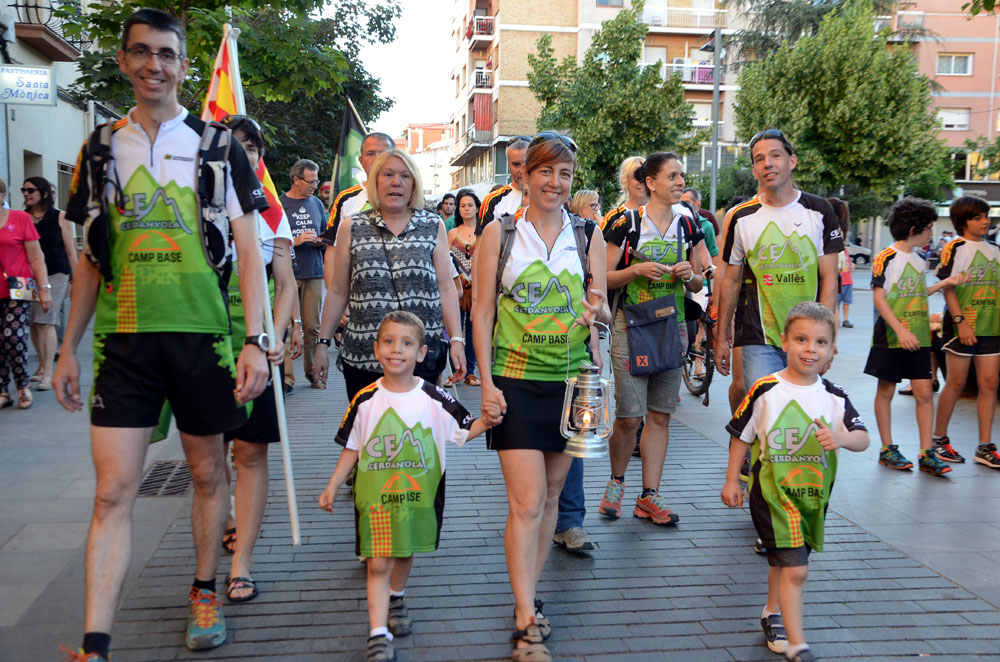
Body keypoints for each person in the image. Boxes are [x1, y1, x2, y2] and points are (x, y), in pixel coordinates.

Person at [53, 9, 270, 660]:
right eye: (142, 52)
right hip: (123, 342)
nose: (155, 64)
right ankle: (96, 644)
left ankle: (205, 588)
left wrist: (255, 340)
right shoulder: (98, 150)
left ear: (182, 66)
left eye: (167, 54)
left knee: (207, 471)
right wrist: (66, 348)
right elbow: (92, 257)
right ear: (124, 60)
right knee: (113, 489)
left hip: (202, 336)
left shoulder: (218, 146)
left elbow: (250, 249)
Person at [473, 131, 610, 661]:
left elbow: (598, 306)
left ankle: (526, 598)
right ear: (524, 176)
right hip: (515, 379)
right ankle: (527, 617)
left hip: (574, 383)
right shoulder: (499, 234)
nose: (556, 182)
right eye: (546, 172)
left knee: (552, 498)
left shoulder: (588, 234)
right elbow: (482, 312)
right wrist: (485, 382)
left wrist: (592, 313)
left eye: (566, 174)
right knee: (527, 501)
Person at [319, 311, 489, 662]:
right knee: (378, 562)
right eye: (389, 342)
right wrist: (334, 484)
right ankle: (378, 632)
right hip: (376, 498)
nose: (397, 350)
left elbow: (465, 428)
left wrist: (490, 419)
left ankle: (397, 595)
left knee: (404, 552)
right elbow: (352, 446)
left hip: (417, 498)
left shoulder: (435, 397)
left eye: (407, 343)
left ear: (422, 353)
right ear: (376, 348)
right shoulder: (365, 399)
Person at [722, 302, 869, 662]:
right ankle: (798, 644)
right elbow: (741, 435)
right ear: (784, 340)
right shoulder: (765, 390)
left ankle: (772, 614)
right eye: (801, 339)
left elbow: (862, 438)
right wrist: (732, 482)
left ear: (832, 350)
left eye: (820, 342)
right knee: (797, 568)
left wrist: (841, 438)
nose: (810, 349)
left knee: (783, 562)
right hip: (771, 496)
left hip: (812, 499)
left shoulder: (835, 396)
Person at [598, 152, 705, 525]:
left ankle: (649, 496)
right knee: (630, 417)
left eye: (682, 175)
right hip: (631, 326)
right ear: (651, 182)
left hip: (672, 326)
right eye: (672, 176)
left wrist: (690, 274)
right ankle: (616, 481)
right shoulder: (624, 223)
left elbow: (699, 281)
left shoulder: (687, 223)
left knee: (660, 416)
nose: (680, 182)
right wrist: (636, 270)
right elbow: (600, 278)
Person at [216, 114, 297, 602]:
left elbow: (284, 284)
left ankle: (242, 560)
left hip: (255, 347)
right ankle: (223, 513)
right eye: (232, 144)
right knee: (210, 458)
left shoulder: (270, 213)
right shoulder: (194, 203)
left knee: (249, 450)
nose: (243, 153)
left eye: (250, 147)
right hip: (205, 345)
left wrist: (277, 334)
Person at [313, 149, 466, 400]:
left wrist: (457, 340)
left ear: (414, 184)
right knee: (370, 435)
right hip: (365, 357)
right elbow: (339, 291)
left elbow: (446, 288)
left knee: (421, 435)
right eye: (388, 174)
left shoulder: (432, 225)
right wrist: (322, 344)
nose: (396, 182)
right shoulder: (351, 227)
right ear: (375, 181)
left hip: (421, 355)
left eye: (405, 176)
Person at [716, 129, 842, 391]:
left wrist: (827, 338)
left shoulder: (819, 211)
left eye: (775, 155)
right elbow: (731, 279)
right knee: (766, 405)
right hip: (757, 336)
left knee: (800, 405)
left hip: (806, 336)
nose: (768, 163)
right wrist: (720, 338)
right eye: (759, 159)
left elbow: (830, 279)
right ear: (754, 170)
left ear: (791, 161)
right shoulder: (741, 217)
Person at [865, 198, 966, 477]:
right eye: (929, 228)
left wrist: (946, 283)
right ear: (913, 229)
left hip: (920, 338)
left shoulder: (919, 260)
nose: (932, 234)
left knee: (924, 393)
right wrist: (900, 330)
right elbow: (879, 297)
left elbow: (918, 293)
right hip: (891, 338)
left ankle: (926, 453)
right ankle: (888, 449)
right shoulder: (885, 257)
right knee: (885, 391)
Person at [932, 195, 1000, 468]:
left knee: (990, 384)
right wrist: (960, 322)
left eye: (986, 216)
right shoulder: (954, 247)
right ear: (963, 221)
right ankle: (939, 441)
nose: (985, 221)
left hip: (992, 325)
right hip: (962, 325)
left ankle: (985, 446)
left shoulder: (995, 250)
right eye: (978, 217)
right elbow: (948, 287)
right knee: (957, 382)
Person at [0, 176, 52, 410]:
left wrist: (43, 288)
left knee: (14, 336)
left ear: (2, 196)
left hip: (18, 289)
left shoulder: (19, 218)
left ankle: (22, 386)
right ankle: (3, 390)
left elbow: (36, 256)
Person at [23, 176, 75, 390]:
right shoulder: (22, 217)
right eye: (24, 190)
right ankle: (42, 366)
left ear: (44, 193)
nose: (26, 194)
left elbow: (71, 249)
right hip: (28, 276)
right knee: (34, 322)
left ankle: (48, 372)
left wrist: (78, 277)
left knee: (46, 320)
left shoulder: (60, 217)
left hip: (56, 273)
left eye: (31, 190)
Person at [280, 158, 325, 390]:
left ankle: (312, 372)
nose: (314, 185)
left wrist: (320, 241)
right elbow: (273, 242)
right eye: (311, 181)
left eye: (316, 181)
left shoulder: (317, 204)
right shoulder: (279, 205)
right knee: (287, 327)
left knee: (312, 327)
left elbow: (327, 235)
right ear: (296, 180)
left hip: (314, 272)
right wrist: (295, 241)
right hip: (287, 273)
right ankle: (287, 378)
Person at [447, 188, 481, 386]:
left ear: (477, 208)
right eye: (463, 206)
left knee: (474, 330)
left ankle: (471, 372)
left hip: (477, 290)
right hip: (456, 289)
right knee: (455, 331)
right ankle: (454, 372)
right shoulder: (452, 233)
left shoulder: (484, 231)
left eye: (470, 205)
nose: (466, 209)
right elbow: (446, 261)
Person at [476, 136, 529, 235]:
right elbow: (481, 246)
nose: (522, 170)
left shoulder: (550, 197)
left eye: (526, 163)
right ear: (508, 164)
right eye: (516, 164)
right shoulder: (492, 200)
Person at [600, 156, 647, 232]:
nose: (641, 181)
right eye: (636, 176)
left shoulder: (660, 214)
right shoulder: (613, 218)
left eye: (645, 176)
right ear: (625, 180)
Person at [828, 198, 854, 327]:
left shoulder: (830, 227)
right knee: (833, 308)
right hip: (837, 272)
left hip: (830, 271)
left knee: (830, 308)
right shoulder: (840, 229)